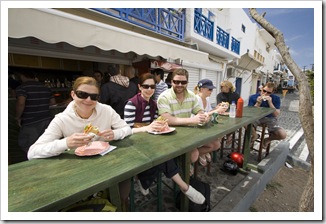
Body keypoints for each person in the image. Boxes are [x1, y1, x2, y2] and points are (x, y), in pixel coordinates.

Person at [28, 76, 132, 208]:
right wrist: (66, 143)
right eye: (82, 94)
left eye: (94, 97)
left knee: (123, 190)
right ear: (73, 94)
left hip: (109, 165)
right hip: (78, 173)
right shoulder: (62, 119)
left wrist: (115, 133)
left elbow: (126, 128)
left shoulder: (106, 110)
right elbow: (32, 152)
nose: (88, 100)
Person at [124, 73, 205, 205]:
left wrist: (161, 125)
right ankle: (184, 187)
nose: (149, 89)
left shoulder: (154, 104)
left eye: (152, 86)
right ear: (139, 87)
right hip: (135, 144)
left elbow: (158, 122)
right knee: (163, 156)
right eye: (146, 86)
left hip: (152, 141)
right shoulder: (131, 104)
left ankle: (145, 179)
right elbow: (127, 131)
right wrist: (147, 127)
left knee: (164, 154)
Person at [157, 68, 210, 173]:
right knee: (194, 155)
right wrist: (192, 120)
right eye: (176, 82)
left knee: (215, 144)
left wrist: (203, 116)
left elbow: (199, 111)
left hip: (188, 134)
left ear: (187, 83)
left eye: (183, 82)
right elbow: (167, 119)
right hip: (170, 136)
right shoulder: (164, 97)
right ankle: (183, 165)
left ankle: (185, 161)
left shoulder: (192, 96)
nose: (180, 84)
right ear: (171, 82)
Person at [15, 70, 56, 160]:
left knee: (27, 145)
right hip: (47, 120)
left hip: (31, 121)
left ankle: (33, 164)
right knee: (45, 144)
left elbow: (21, 103)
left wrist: (17, 117)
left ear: (22, 76)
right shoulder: (46, 88)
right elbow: (53, 103)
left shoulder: (22, 88)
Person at [193, 79, 228, 166]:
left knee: (219, 139)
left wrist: (216, 109)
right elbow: (200, 116)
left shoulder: (206, 100)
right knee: (216, 143)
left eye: (212, 89)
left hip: (204, 128)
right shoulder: (196, 100)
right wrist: (216, 111)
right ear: (202, 89)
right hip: (195, 130)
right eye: (209, 89)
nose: (211, 91)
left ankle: (202, 152)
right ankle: (194, 156)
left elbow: (208, 113)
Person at [248, 82, 287, 148]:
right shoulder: (253, 97)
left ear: (272, 92)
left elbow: (276, 114)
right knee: (246, 123)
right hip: (256, 117)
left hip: (270, 118)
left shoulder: (276, 98)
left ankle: (267, 140)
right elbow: (251, 112)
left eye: (268, 92)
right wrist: (258, 103)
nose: (265, 93)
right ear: (262, 89)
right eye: (264, 91)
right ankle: (255, 136)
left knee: (282, 135)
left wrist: (270, 103)